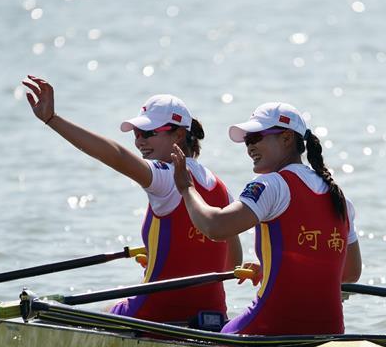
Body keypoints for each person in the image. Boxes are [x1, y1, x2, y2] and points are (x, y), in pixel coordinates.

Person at [21, 75, 242, 325]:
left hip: (154, 316)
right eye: (137, 133)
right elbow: (231, 264)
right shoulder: (222, 189)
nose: (139, 141)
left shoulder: (164, 175)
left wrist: (52, 119)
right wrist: (172, 257)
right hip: (211, 319)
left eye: (148, 133)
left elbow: (116, 156)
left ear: (179, 135)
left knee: (102, 310)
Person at [171, 102, 361, 335]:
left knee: (211, 332)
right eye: (247, 141)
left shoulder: (271, 185)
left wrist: (186, 188)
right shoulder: (340, 198)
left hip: (271, 327)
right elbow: (351, 273)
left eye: (256, 138)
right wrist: (278, 270)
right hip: (330, 329)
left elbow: (215, 227)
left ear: (287, 138)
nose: (249, 147)